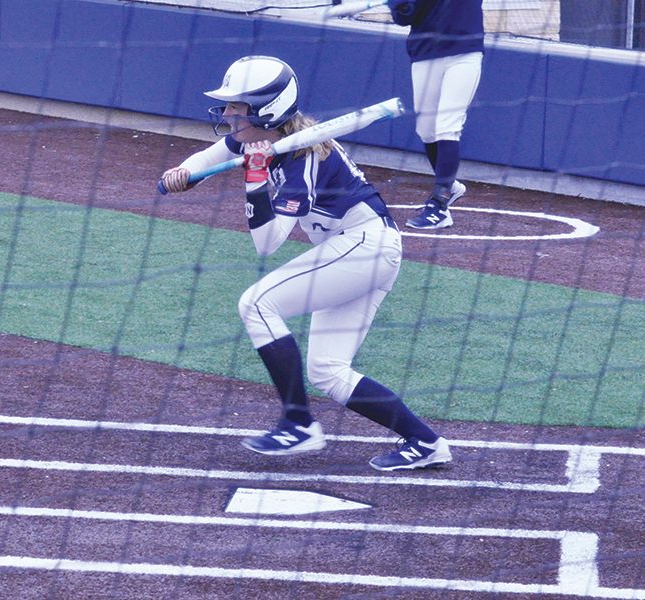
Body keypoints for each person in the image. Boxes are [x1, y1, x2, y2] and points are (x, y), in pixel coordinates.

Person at [160, 55, 451, 471]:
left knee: (257, 303)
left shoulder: (303, 157)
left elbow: (268, 242)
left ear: (267, 111)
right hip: (353, 250)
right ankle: (425, 441)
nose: (226, 114)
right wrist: (185, 172)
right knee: (328, 370)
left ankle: (298, 423)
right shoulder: (255, 139)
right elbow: (209, 157)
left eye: (236, 107)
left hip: (365, 246)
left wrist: (256, 181)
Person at [389, 0, 484, 230]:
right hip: (425, 54)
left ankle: (439, 204)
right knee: (427, 130)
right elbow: (404, 18)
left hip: (464, 52)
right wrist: (401, 4)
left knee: (447, 126)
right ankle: (450, 187)